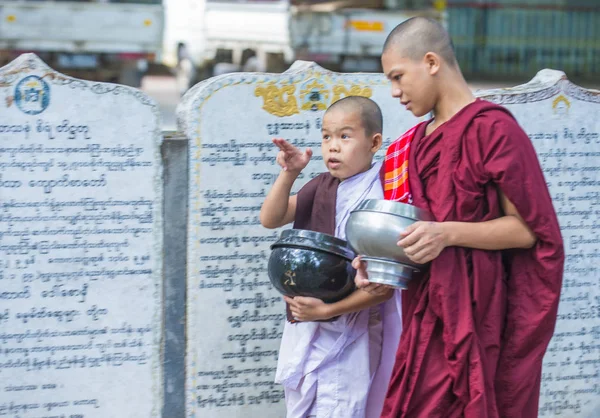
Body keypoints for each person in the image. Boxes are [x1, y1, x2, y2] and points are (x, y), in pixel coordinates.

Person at [353, 17, 565, 418]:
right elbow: (412, 229)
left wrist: (447, 234)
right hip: (425, 309)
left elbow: (527, 231)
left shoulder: (493, 130)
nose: (395, 93)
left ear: (431, 62)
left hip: (479, 311)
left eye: (398, 77)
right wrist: (377, 261)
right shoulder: (415, 143)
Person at [260, 96, 403, 418]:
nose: (332, 147)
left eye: (345, 136)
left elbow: (382, 285)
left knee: (344, 405)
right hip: (308, 323)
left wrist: (329, 309)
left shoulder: (382, 195)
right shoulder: (321, 186)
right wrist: (290, 173)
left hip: (355, 328)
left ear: (374, 142)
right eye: (326, 136)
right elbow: (271, 218)